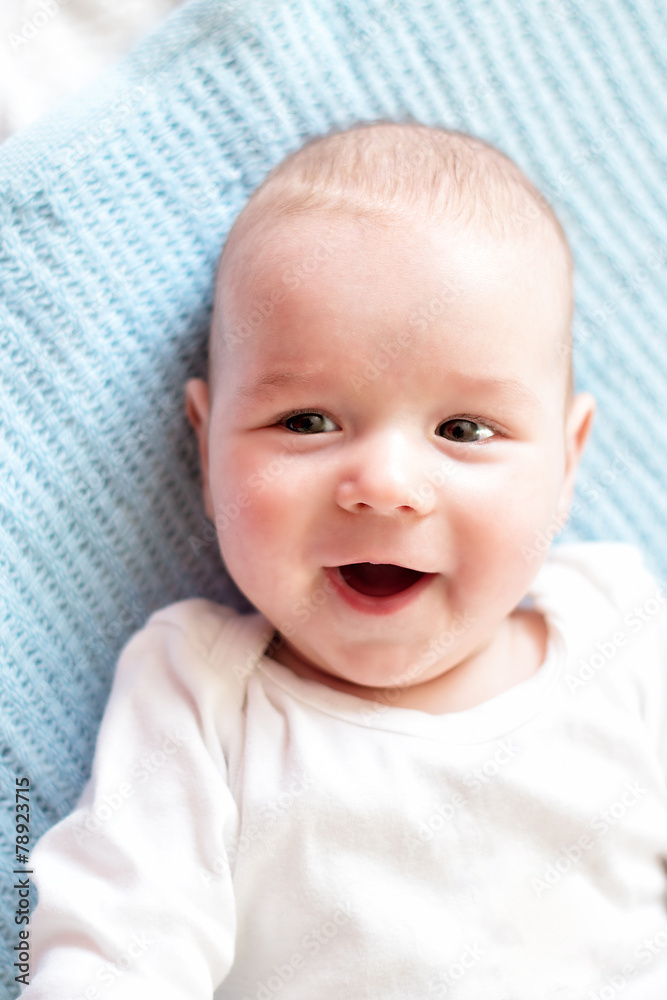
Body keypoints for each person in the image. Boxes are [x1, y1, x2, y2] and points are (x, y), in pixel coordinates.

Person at [21, 122, 667, 999]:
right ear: (207, 450)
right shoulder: (205, 699)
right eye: (307, 422)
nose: (385, 486)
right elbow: (114, 951)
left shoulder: (622, 640)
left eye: (464, 431)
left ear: (566, 463)